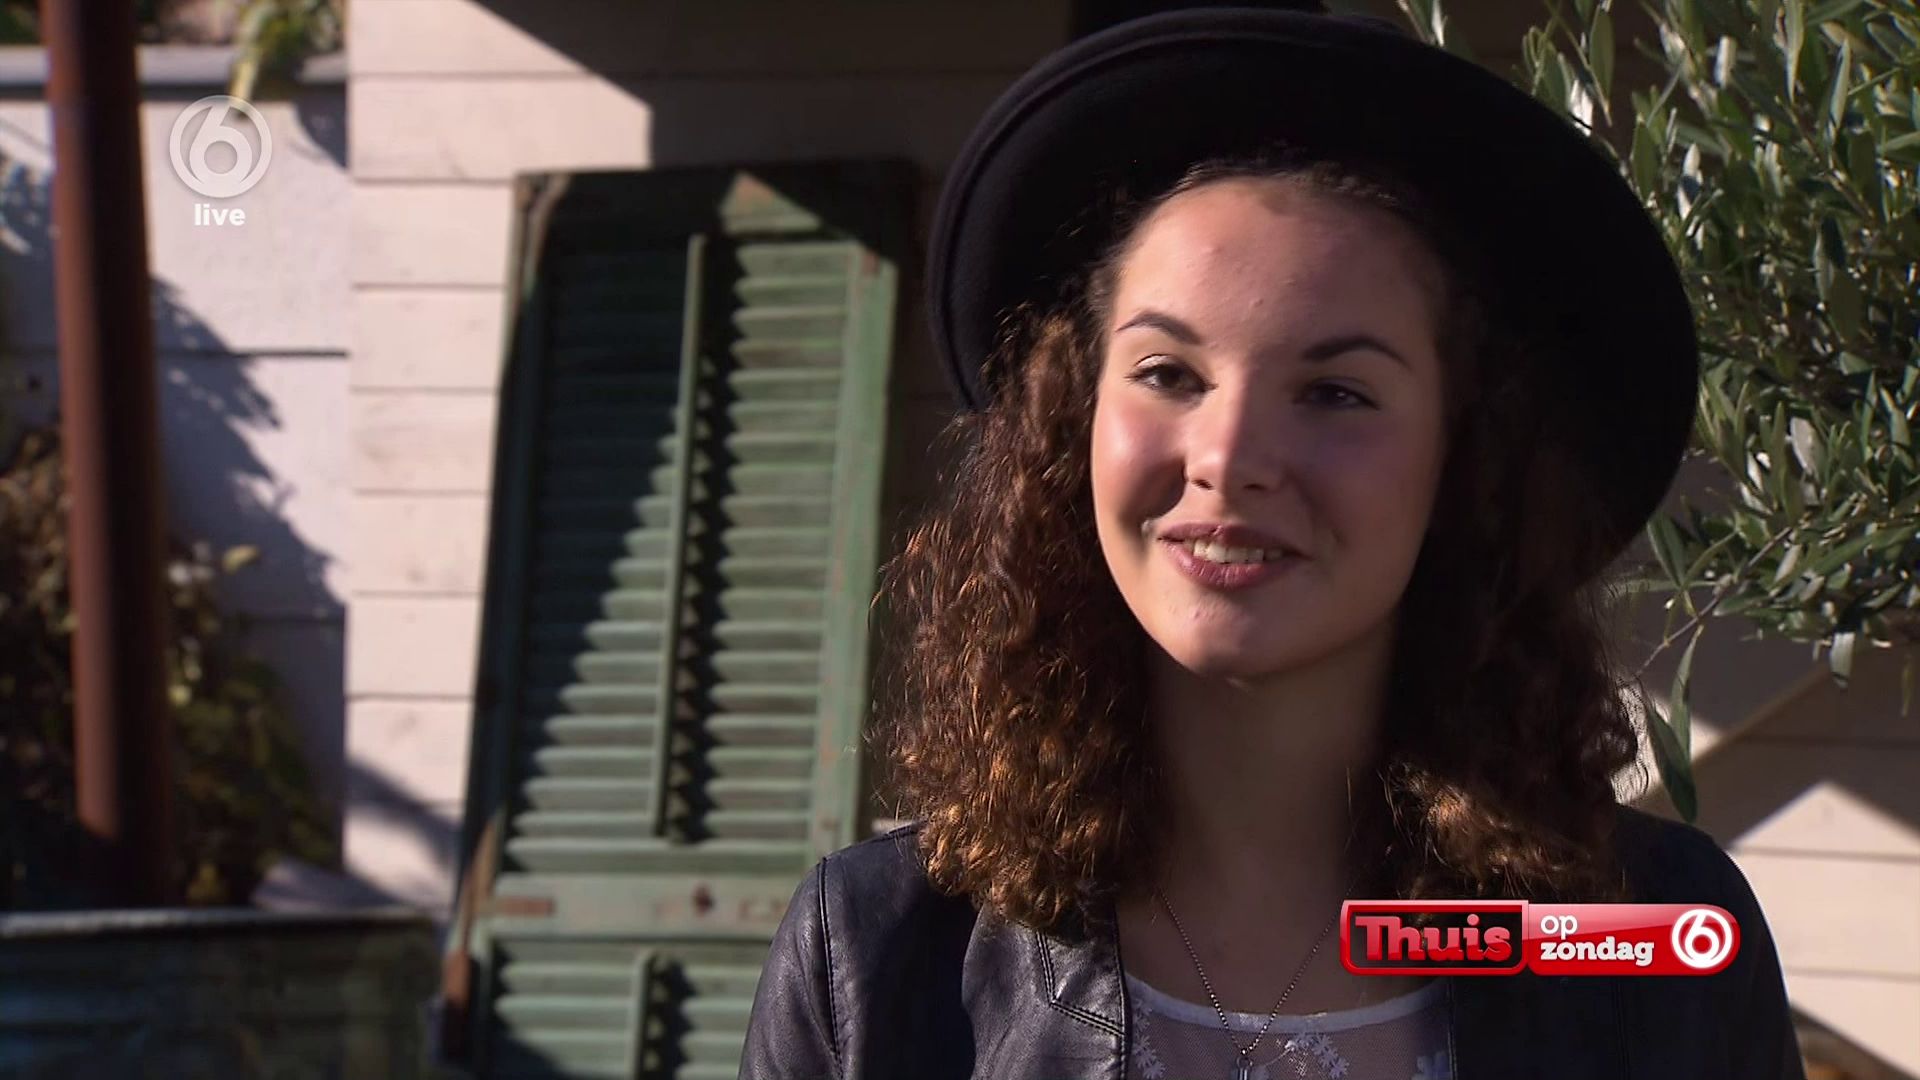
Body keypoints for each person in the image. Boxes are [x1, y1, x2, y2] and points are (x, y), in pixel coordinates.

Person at [741, 6, 1806, 1079]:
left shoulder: (1650, 950)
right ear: (1074, 424)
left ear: (1465, 464)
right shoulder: (874, 957)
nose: (1229, 456)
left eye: (1336, 392)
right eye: (1168, 374)